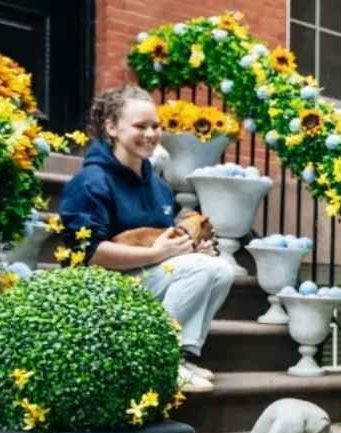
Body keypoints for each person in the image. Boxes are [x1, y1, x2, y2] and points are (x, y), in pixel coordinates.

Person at [60, 85, 235, 393]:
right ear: (112, 127)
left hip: (142, 277)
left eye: (155, 125)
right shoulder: (90, 181)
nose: (151, 134)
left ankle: (180, 356)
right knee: (203, 269)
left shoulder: (158, 186)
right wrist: (158, 254)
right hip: (103, 288)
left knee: (220, 269)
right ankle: (160, 361)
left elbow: (163, 242)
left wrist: (190, 248)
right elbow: (90, 253)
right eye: (140, 126)